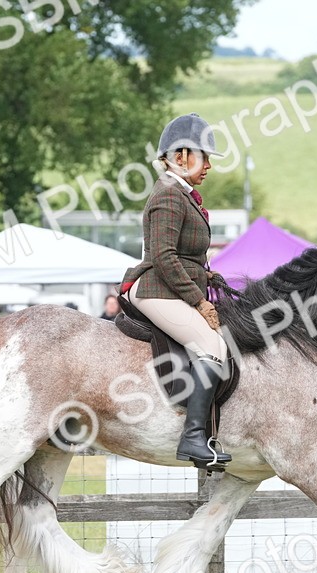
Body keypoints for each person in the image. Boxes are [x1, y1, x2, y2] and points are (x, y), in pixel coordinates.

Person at [119, 113, 230, 468]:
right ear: (181, 156)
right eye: (204, 157)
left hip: (167, 286)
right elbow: (165, 258)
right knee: (212, 347)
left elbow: (183, 254)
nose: (209, 166)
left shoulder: (182, 195)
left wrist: (207, 277)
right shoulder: (169, 195)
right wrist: (199, 301)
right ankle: (194, 438)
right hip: (155, 289)